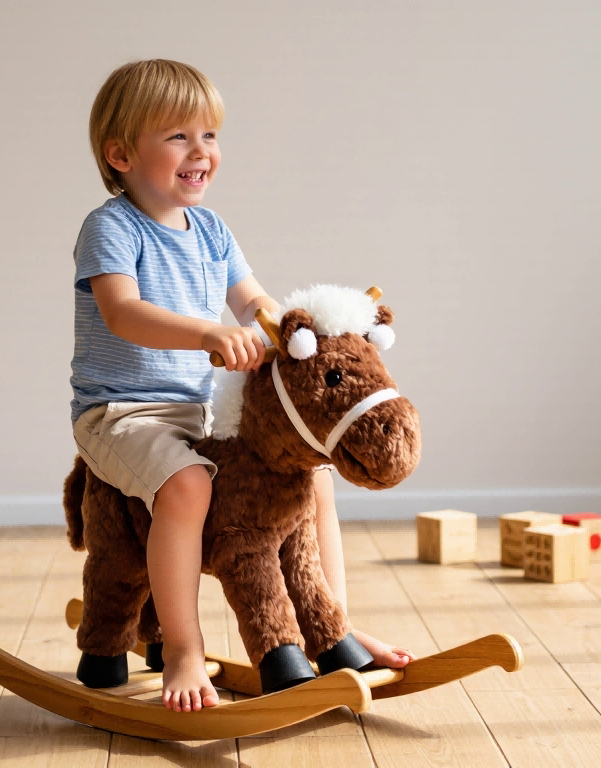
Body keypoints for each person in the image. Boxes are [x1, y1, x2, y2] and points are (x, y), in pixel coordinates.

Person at [70, 59, 412, 713]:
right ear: (120, 154)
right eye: (178, 136)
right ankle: (182, 649)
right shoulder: (110, 228)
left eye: (209, 135)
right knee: (188, 486)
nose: (201, 151)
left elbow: (257, 302)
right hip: (123, 414)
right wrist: (208, 333)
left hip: (199, 409)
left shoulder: (213, 231)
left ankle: (332, 626)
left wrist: (305, 336)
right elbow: (122, 313)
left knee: (309, 474)